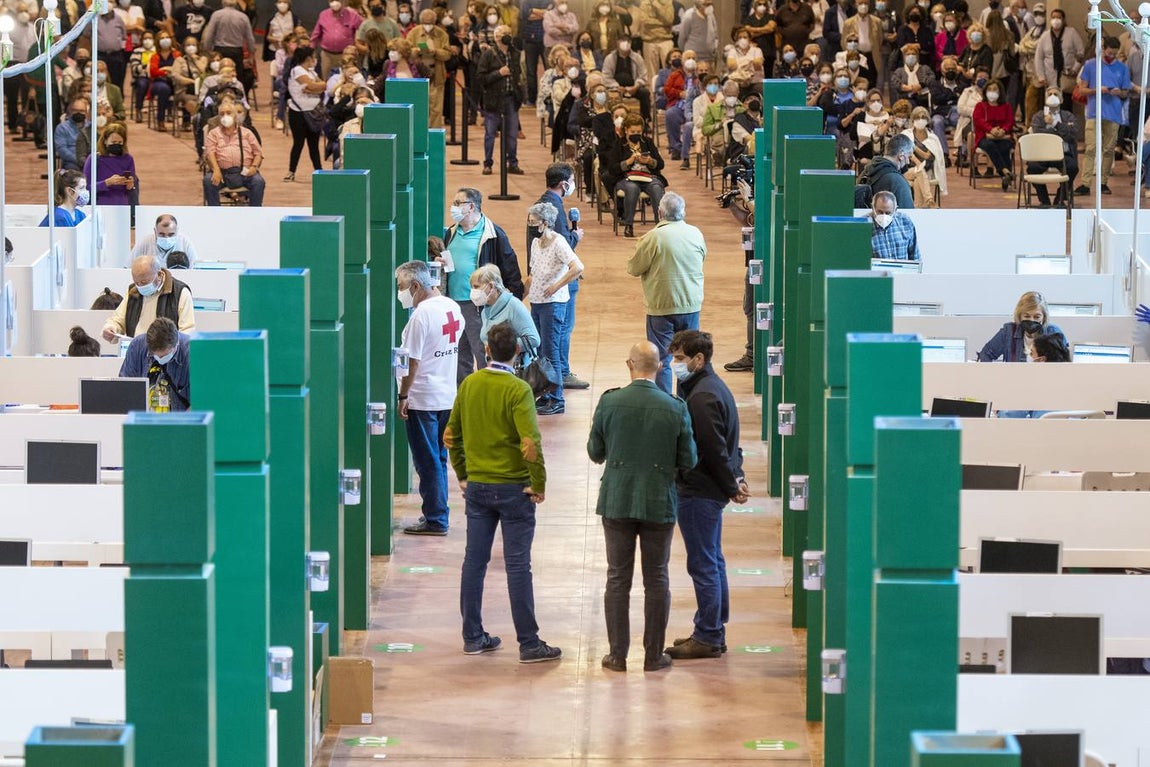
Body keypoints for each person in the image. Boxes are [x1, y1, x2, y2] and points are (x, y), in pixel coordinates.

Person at [443, 320, 560, 662]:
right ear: (518, 352)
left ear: (488, 350)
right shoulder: (519, 390)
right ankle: (528, 643)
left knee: (474, 562)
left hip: (478, 488)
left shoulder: (469, 385)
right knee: (517, 566)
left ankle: (473, 636)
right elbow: (530, 443)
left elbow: (452, 436)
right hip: (514, 490)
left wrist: (464, 474)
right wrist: (538, 484)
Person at [587, 340, 697, 673]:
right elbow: (688, 459)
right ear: (660, 367)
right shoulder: (675, 406)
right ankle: (653, 656)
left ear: (629, 364)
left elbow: (595, 452)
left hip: (617, 500)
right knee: (657, 578)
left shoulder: (610, 402)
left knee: (618, 578)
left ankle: (617, 655)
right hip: (657, 500)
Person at [664, 329, 748, 660]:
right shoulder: (708, 387)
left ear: (700, 359)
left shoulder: (701, 397)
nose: (675, 364)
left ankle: (709, 634)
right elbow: (730, 445)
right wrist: (735, 479)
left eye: (681, 359)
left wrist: (731, 484)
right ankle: (712, 626)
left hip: (699, 492)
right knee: (713, 559)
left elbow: (713, 449)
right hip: (710, 490)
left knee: (703, 563)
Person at [395, 260, 464, 536]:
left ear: (415, 285)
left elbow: (412, 361)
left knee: (427, 460)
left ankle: (435, 518)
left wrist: (403, 394)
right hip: (447, 395)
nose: (400, 293)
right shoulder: (452, 307)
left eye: (401, 287)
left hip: (422, 398)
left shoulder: (421, 315)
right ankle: (438, 512)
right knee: (439, 457)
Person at [626, 192, 706, 395]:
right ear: (683, 212)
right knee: (686, 356)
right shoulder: (696, 233)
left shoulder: (653, 237)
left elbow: (634, 268)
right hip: (690, 304)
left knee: (662, 358)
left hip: (661, 306)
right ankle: (684, 402)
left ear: (659, 212)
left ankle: (663, 402)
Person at [442, 187, 525, 380]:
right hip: (454, 304)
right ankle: (464, 394)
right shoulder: (451, 233)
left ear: (471, 207)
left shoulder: (493, 234)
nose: (452, 208)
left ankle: (487, 392)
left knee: (482, 351)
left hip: (479, 306)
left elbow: (509, 266)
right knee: (459, 355)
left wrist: (513, 296)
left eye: (457, 203)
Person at [530, 163, 589, 390]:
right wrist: (576, 236)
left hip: (543, 288)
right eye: (572, 181)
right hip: (555, 287)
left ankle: (551, 380)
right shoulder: (552, 208)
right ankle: (560, 376)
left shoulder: (543, 204)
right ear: (564, 183)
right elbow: (564, 247)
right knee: (561, 331)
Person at [526, 202, 585, 417]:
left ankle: (558, 398)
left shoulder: (559, 242)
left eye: (533, 222)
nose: (531, 225)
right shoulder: (535, 243)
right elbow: (533, 273)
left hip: (553, 305)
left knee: (551, 353)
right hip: (536, 303)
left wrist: (556, 286)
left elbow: (577, 267)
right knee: (541, 353)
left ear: (545, 223)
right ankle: (547, 394)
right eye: (529, 221)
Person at [1074, 37, 1130, 197]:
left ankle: (1103, 182)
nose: (1111, 56)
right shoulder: (1091, 65)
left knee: (1108, 149)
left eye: (1114, 54)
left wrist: (1120, 92)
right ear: (1104, 48)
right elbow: (1082, 89)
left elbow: (1126, 91)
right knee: (1091, 148)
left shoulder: (1122, 68)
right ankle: (1085, 183)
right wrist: (1098, 89)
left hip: (1113, 114)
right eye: (1109, 53)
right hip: (1094, 113)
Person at [101, 256, 196, 341]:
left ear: (159, 275)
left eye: (144, 282)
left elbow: (187, 331)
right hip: (137, 350)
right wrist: (111, 328)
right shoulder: (133, 291)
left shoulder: (180, 292)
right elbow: (118, 319)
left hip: (166, 352)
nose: (140, 286)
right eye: (136, 282)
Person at [605, 114, 667, 239]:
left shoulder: (647, 142)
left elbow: (660, 164)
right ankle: (629, 225)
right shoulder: (619, 144)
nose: (636, 133)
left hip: (649, 177)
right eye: (633, 131)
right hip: (626, 178)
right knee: (632, 188)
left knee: (656, 188)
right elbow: (612, 168)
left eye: (639, 131)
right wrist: (628, 162)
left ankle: (661, 226)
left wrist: (650, 161)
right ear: (626, 130)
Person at [477, 25, 524, 176]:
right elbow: (481, 78)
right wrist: (499, 73)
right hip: (493, 100)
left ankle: (513, 163)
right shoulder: (488, 54)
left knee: (511, 134)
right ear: (497, 37)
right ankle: (488, 163)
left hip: (511, 98)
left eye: (509, 33)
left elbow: (518, 74)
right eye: (504, 34)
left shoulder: (515, 54)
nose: (507, 36)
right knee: (490, 133)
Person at [119, 317, 192, 412]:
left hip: (181, 420)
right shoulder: (137, 346)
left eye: (165, 356)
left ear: (176, 345)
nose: (160, 359)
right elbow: (125, 387)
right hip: (144, 418)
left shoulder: (191, 353)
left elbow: (201, 401)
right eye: (155, 355)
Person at [202, 101, 266, 206]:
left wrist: (254, 167)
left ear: (235, 115)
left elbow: (258, 153)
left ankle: (255, 213)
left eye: (228, 113)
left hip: (244, 173)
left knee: (258, 182)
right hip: (222, 173)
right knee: (208, 181)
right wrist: (216, 170)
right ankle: (214, 214)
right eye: (222, 114)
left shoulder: (247, 133)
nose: (225, 116)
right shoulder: (214, 133)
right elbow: (210, 153)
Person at [976, 290, 1066, 362]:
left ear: (1044, 317)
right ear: (1019, 316)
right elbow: (985, 355)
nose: (1032, 320)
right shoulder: (1008, 332)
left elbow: (1064, 365)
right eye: (1027, 316)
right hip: (1013, 382)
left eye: (1037, 317)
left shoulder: (1053, 333)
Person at [1028, 86, 1077, 207]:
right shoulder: (1038, 117)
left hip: (1063, 154)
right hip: (1042, 155)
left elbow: (1073, 134)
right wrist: (1061, 133)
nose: (1052, 97)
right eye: (1049, 94)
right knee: (1032, 168)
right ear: (1045, 99)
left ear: (1061, 99)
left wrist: (1055, 124)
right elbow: (1038, 134)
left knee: (1072, 168)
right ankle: (1044, 200)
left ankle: (1060, 199)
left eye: (1056, 94)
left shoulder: (1068, 116)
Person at [284, 45, 327, 182]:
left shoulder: (312, 72)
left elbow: (322, 86)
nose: (315, 59)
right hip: (298, 114)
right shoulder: (297, 70)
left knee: (314, 144)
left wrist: (314, 87)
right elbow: (313, 86)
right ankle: (291, 171)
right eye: (314, 57)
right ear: (309, 58)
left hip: (313, 113)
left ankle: (319, 170)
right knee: (298, 143)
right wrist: (314, 87)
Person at [469, 264, 539, 349]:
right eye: (472, 287)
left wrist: (500, 348)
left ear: (491, 286)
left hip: (517, 361)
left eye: (476, 287)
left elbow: (534, 340)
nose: (473, 291)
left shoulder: (514, 306)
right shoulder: (485, 311)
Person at [406, 9, 452, 128]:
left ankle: (434, 135)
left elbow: (448, 54)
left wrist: (435, 52)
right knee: (420, 106)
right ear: (421, 22)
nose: (428, 25)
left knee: (435, 108)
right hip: (418, 75)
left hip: (436, 74)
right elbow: (406, 52)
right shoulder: (413, 33)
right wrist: (416, 51)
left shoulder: (442, 34)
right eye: (425, 23)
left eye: (430, 23)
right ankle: (419, 133)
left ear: (435, 22)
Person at [1034, 8, 1083, 107]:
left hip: (1066, 77)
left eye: (1058, 17)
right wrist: (1041, 76)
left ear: (1063, 20)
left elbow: (1081, 52)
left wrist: (1075, 68)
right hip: (1049, 78)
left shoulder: (1071, 33)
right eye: (1053, 17)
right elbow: (1038, 57)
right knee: (1050, 106)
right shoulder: (1045, 36)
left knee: (1066, 106)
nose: (1056, 20)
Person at [972, 77, 1015, 190]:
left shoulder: (1006, 106)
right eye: (989, 89)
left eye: (995, 89)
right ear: (985, 92)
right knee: (990, 145)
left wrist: (1003, 130)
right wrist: (991, 129)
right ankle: (1006, 172)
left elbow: (1010, 121)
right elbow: (978, 120)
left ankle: (1006, 176)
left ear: (1000, 92)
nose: (992, 92)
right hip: (985, 136)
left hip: (1003, 136)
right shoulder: (980, 106)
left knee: (1004, 146)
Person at [81, 123, 136, 208]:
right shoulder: (94, 159)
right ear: (105, 141)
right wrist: (107, 183)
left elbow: (131, 188)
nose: (116, 144)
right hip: (99, 204)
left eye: (120, 142)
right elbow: (87, 187)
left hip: (122, 204)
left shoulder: (128, 159)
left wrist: (130, 185)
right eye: (113, 142)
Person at [857, 133, 914, 208]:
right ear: (901, 156)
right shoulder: (898, 181)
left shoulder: (866, 172)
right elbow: (907, 214)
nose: (908, 162)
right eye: (909, 157)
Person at [602, 37, 652, 123]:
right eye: (622, 41)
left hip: (633, 87)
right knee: (608, 95)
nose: (625, 43)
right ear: (617, 43)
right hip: (615, 88)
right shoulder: (610, 58)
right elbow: (606, 76)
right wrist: (617, 87)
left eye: (628, 41)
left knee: (645, 93)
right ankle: (611, 121)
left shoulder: (637, 57)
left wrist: (635, 86)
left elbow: (643, 75)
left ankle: (645, 120)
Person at [201, 0, 256, 78]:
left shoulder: (216, 15)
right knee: (236, 76)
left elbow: (209, 35)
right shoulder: (243, 17)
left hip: (219, 50)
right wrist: (251, 56)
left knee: (218, 75)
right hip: (237, 51)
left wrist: (206, 51)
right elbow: (250, 38)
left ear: (222, 2)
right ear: (236, 3)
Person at [903, 105, 945, 206]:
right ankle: (929, 200)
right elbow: (906, 154)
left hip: (927, 172)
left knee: (919, 179)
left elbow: (928, 156)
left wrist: (913, 147)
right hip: (906, 171)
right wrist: (917, 158)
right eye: (917, 118)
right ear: (912, 120)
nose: (920, 120)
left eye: (923, 118)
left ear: (927, 120)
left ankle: (918, 208)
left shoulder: (932, 138)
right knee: (919, 170)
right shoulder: (906, 135)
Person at [132, 214, 200, 266]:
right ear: (155, 231)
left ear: (177, 231)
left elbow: (195, 269)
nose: (166, 238)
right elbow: (128, 268)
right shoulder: (145, 242)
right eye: (162, 234)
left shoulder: (185, 242)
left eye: (171, 234)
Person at [870, 190, 920, 260]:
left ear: (895, 210)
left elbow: (915, 257)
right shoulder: (862, 226)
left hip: (902, 270)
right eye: (880, 212)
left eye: (888, 213)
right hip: (876, 270)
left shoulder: (905, 222)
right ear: (873, 208)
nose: (884, 216)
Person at [55, 98, 90, 171]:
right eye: (75, 110)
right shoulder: (62, 128)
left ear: (86, 113)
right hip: (72, 163)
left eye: (81, 111)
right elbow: (62, 150)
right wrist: (81, 161)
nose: (78, 113)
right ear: (70, 112)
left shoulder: (91, 127)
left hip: (90, 161)